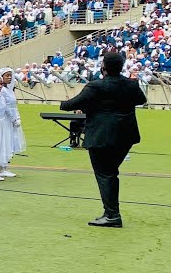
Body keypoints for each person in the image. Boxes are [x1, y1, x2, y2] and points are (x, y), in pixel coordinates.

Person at [60, 51, 148, 227]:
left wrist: (65, 103)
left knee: (105, 174)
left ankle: (112, 215)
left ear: (103, 67)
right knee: (111, 173)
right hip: (125, 136)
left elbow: (71, 105)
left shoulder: (96, 86)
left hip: (101, 135)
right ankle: (111, 212)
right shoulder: (131, 84)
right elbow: (141, 100)